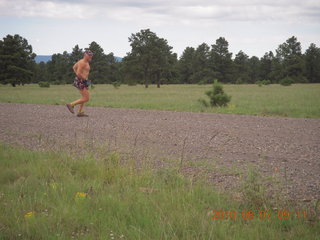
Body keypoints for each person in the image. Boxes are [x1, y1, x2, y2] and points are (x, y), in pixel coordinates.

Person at [66, 50, 93, 117]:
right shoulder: (82, 62)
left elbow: (74, 67)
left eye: (91, 55)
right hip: (81, 81)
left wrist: (85, 79)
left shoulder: (85, 62)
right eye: (89, 55)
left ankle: (80, 112)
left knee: (84, 96)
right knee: (86, 98)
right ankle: (71, 105)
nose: (91, 56)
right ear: (85, 55)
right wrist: (84, 79)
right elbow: (78, 73)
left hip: (83, 80)